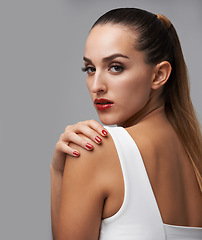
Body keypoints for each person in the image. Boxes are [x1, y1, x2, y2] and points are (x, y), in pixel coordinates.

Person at [50, 8, 202, 240]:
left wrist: (59, 172)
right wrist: (59, 171)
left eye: (115, 67)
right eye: (90, 69)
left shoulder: (95, 151)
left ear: (159, 75)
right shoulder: (194, 156)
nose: (96, 85)